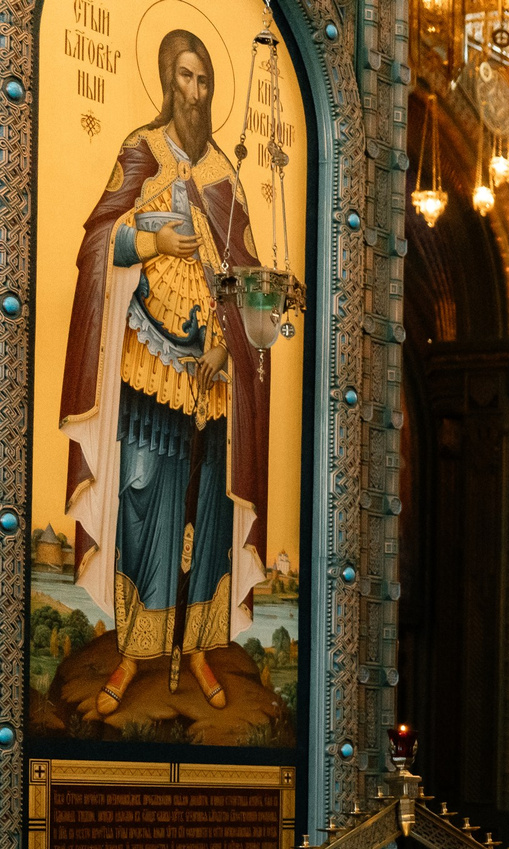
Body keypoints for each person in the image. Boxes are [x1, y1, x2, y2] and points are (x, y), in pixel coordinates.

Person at [62, 29, 274, 716]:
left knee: (206, 504)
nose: (197, 91)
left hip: (210, 374)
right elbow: (99, 238)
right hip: (148, 360)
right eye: (186, 78)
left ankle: (199, 645)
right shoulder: (142, 150)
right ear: (166, 80)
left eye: (205, 79)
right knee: (146, 490)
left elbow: (246, 275)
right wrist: (152, 238)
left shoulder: (222, 172)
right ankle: (134, 651)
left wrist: (231, 345)